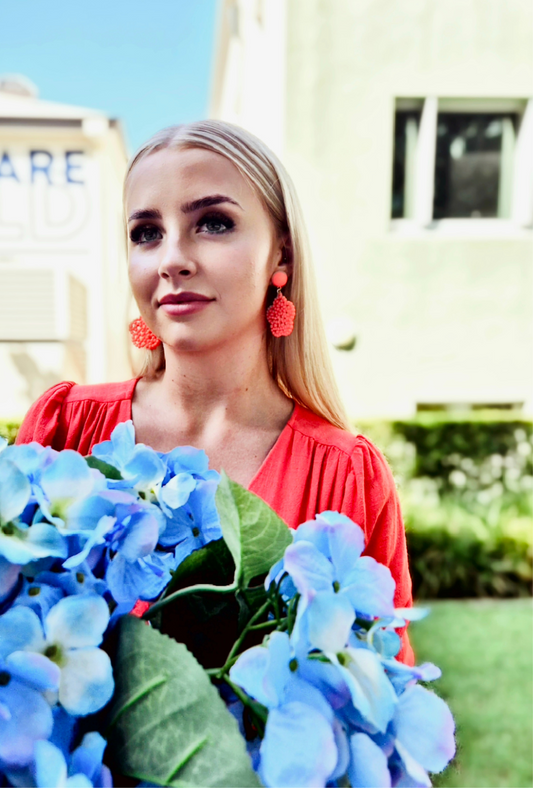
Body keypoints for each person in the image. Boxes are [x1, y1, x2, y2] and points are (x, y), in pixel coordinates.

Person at [16, 120, 414, 664]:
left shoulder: (345, 475)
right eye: (146, 233)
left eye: (213, 223)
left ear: (282, 256)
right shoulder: (65, 428)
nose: (171, 259)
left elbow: (379, 689)